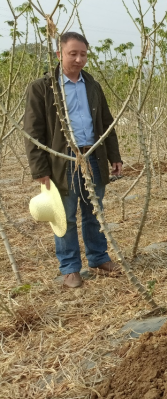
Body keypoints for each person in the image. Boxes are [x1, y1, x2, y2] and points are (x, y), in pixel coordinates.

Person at [24, 32, 123, 288]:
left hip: (92, 155)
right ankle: (69, 267)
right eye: (73, 54)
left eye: (83, 54)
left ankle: (98, 258)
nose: (79, 59)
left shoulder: (92, 85)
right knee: (64, 216)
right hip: (63, 160)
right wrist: (40, 169)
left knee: (94, 211)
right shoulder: (43, 88)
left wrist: (114, 155)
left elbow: (106, 123)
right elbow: (33, 132)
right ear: (59, 54)